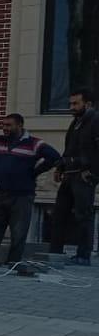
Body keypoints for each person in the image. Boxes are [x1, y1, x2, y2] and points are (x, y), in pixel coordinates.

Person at [0, 112, 60, 266]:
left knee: (18, 234)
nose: (5, 128)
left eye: (9, 125)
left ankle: (13, 264)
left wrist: (36, 171)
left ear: (19, 125)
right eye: (3, 125)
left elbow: (55, 157)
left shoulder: (34, 143)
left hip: (22, 197)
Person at [48, 88, 99, 266]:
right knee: (59, 214)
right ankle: (55, 253)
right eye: (70, 103)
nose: (71, 107)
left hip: (83, 176)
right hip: (69, 175)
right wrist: (60, 168)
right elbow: (69, 148)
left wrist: (92, 172)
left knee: (83, 216)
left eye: (76, 103)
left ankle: (83, 256)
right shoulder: (76, 122)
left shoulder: (95, 120)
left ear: (88, 104)